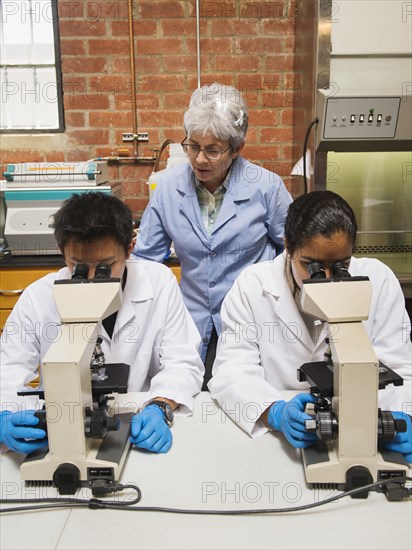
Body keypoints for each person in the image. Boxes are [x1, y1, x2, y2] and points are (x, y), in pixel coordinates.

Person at [208, 190, 412, 462]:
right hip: (277, 442)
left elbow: (399, 366)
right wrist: (274, 412)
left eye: (341, 265)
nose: (326, 279)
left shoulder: (379, 280)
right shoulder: (252, 286)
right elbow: (232, 370)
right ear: (288, 248)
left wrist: (403, 415)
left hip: (364, 429)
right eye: (312, 266)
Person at [0, 192, 204, 455]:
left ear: (129, 249)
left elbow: (183, 361)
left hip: (134, 424)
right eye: (79, 265)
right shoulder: (38, 297)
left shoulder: (159, 283)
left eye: (107, 266)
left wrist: (160, 406)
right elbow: (9, 369)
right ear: (61, 251)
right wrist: (4, 415)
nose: (92, 278)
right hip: (60, 427)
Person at [133, 83, 292, 387]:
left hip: (254, 322)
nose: (200, 160)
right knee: (194, 402)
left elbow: (292, 253)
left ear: (237, 149)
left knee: (251, 401)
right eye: (193, 146)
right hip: (191, 322)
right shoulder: (168, 189)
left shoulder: (267, 187)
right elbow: (146, 262)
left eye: (213, 150)